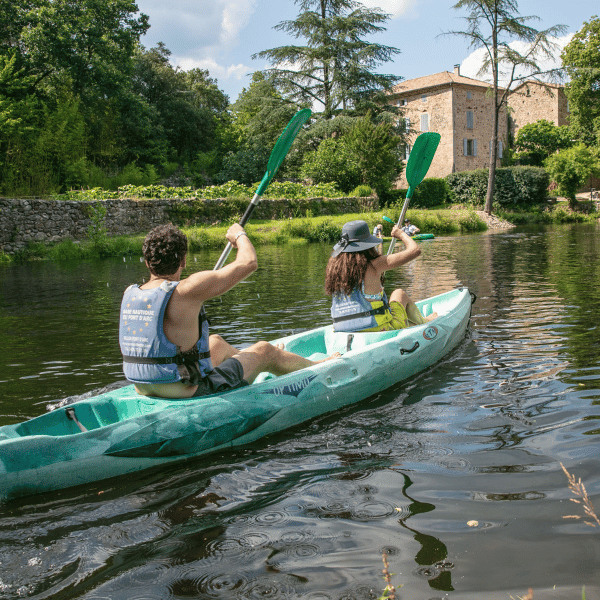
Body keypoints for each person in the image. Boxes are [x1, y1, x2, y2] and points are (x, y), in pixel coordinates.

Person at [120, 223, 339, 399]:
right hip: (185, 391)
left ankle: (262, 361)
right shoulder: (187, 290)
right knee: (264, 349)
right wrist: (239, 235)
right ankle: (311, 364)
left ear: (148, 262)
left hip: (144, 386)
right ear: (184, 260)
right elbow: (248, 262)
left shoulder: (130, 293)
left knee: (215, 341)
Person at [324, 220, 437, 333]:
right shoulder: (375, 265)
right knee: (399, 293)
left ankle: (411, 323)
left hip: (343, 329)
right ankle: (425, 322)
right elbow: (415, 250)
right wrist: (401, 234)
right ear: (368, 244)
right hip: (377, 329)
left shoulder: (335, 270)